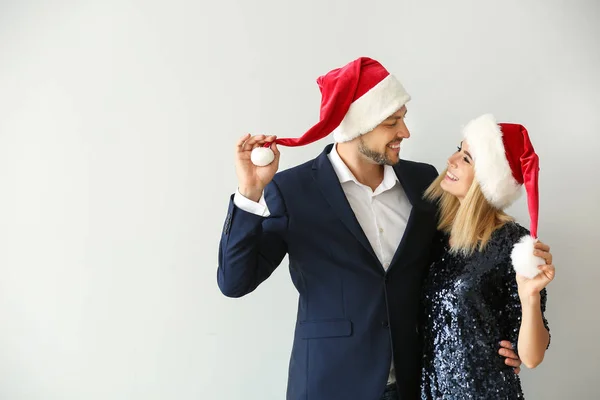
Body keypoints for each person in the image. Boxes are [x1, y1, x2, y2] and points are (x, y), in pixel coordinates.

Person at [217, 57, 529, 400]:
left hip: (415, 385)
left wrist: (508, 336)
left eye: (403, 119)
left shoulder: (423, 181)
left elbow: (461, 267)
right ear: (356, 127)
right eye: (392, 122)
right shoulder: (291, 190)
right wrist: (249, 194)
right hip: (329, 386)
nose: (405, 133)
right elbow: (235, 282)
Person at [419, 114, 554, 399]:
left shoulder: (513, 243)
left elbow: (531, 357)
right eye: (459, 149)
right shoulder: (434, 236)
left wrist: (529, 295)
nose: (451, 160)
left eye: (466, 158)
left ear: (487, 180)